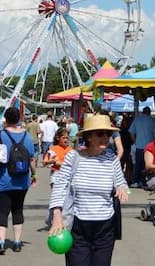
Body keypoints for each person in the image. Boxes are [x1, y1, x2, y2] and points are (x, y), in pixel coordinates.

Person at [49, 113, 129, 266]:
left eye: (108, 134)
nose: (105, 137)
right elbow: (60, 186)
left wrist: (122, 187)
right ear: (89, 136)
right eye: (100, 134)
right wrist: (57, 216)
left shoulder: (111, 158)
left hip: (105, 227)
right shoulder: (74, 157)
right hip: (78, 226)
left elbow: (121, 181)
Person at [0, 106, 36, 254]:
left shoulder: (0, 134)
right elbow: (32, 158)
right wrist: (34, 174)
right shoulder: (26, 136)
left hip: (3, 178)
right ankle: (16, 241)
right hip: (22, 179)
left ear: (5, 119)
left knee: (2, 210)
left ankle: (1, 242)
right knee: (17, 210)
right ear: (19, 119)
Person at [43, 127, 72, 228]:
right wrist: (52, 161)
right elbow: (45, 161)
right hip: (56, 175)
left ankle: (55, 219)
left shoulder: (70, 150)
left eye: (67, 138)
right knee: (57, 198)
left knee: (65, 199)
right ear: (58, 138)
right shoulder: (53, 149)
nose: (66, 140)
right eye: (63, 138)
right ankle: (51, 219)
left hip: (68, 176)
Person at [129, 106, 155, 187]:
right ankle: (145, 181)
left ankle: (135, 181)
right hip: (150, 147)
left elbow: (131, 132)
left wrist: (135, 141)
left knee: (138, 165)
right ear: (149, 112)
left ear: (143, 112)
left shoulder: (137, 119)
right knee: (147, 165)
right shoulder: (152, 120)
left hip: (139, 146)